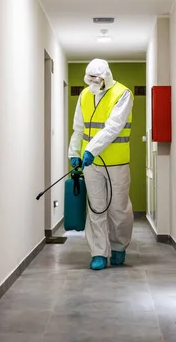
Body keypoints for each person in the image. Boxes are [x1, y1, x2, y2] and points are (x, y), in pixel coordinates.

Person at [68, 58, 134, 271]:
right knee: (95, 208)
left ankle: (118, 246)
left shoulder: (123, 94)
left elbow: (113, 128)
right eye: (90, 80)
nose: (93, 84)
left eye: (97, 80)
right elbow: (79, 128)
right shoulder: (85, 95)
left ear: (106, 77)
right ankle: (98, 252)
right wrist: (74, 153)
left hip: (117, 162)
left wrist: (90, 150)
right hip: (91, 163)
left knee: (118, 208)